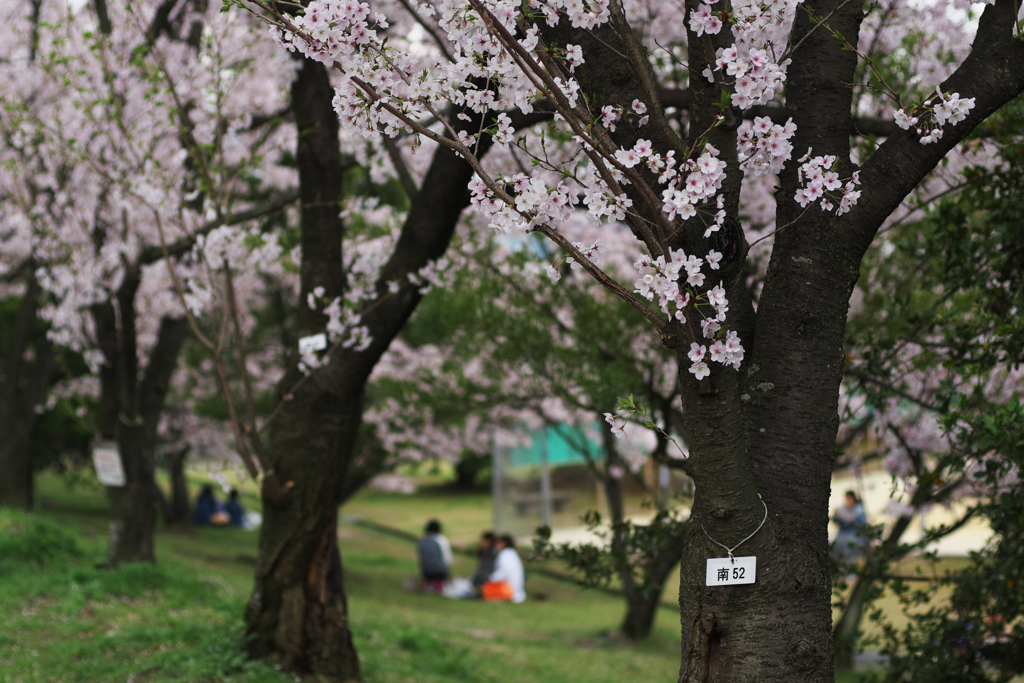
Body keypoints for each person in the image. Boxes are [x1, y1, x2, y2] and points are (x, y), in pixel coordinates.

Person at [482, 534, 526, 603]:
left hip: (508, 590)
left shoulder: (505, 554)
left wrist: (491, 579)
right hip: (516, 590)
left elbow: (503, 571)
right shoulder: (512, 553)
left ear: (502, 544)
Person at [831, 490, 868, 563]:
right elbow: (838, 521)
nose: (848, 501)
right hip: (843, 532)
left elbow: (861, 522)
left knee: (850, 543)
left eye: (850, 499)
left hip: (855, 532)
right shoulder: (842, 508)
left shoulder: (859, 508)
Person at [417, 520, 452, 593]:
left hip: (426, 571)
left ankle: (426, 586)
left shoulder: (422, 540)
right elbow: (448, 559)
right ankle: (439, 587)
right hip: (440, 572)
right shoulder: (442, 540)